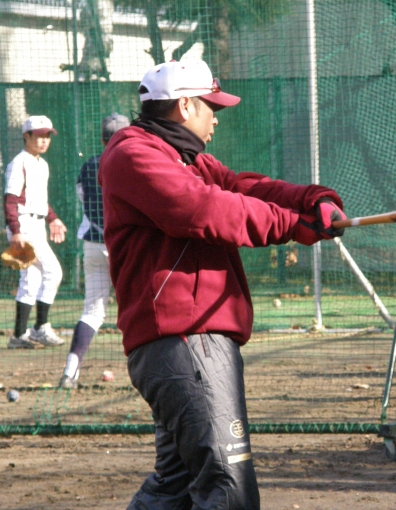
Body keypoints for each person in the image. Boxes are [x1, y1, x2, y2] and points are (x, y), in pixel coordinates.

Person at [98, 60, 347, 509]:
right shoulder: (134, 154)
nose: (216, 118)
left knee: (174, 488)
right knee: (229, 490)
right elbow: (203, 209)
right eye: (211, 107)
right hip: (184, 339)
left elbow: (244, 188)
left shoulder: (189, 159)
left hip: (186, 341)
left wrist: (311, 200)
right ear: (184, 105)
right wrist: (292, 224)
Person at [59, 113, 130, 389]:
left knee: (92, 310)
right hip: (125, 245)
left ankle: (70, 372)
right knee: (140, 307)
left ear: (102, 139)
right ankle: (148, 372)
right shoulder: (134, 161)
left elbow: (83, 199)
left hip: (94, 244)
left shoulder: (89, 165)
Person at [4, 115, 68, 349]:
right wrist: (16, 231)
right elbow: (10, 199)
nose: (44, 140)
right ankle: (41, 327)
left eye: (47, 136)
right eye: (39, 135)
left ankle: (18, 336)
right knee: (53, 271)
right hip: (24, 225)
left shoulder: (42, 164)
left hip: (37, 224)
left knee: (31, 279)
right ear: (26, 136)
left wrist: (53, 218)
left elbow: (39, 200)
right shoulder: (19, 162)